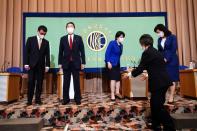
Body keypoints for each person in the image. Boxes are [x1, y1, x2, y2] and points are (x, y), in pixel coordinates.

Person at [126, 34, 175, 130]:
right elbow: (154, 67)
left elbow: (141, 68)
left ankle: (170, 127)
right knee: (154, 104)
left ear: (143, 43)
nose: (141, 46)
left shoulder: (147, 52)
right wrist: (147, 75)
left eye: (141, 44)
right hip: (163, 81)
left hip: (159, 83)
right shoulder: (155, 51)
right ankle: (155, 125)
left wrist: (130, 74)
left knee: (158, 107)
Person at [58, 22, 85, 105]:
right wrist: (60, 63)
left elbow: (82, 51)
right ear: (66, 28)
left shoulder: (79, 38)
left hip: (76, 63)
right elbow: (60, 52)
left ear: (74, 28)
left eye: (71, 26)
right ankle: (66, 99)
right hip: (66, 63)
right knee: (66, 82)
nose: (70, 28)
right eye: (68, 26)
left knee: (76, 81)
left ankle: (77, 99)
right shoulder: (63, 38)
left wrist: (83, 62)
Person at [24, 25, 50, 105]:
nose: (43, 35)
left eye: (44, 34)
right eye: (41, 33)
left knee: (39, 83)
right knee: (31, 83)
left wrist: (47, 65)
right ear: (38, 31)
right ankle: (29, 100)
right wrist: (26, 63)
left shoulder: (46, 42)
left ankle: (38, 99)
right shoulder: (30, 39)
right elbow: (26, 53)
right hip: (31, 66)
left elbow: (47, 55)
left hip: (41, 66)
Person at [154, 24, 179, 103]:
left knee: (172, 78)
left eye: (159, 32)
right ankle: (164, 95)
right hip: (162, 60)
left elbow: (173, 49)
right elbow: (159, 50)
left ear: (163, 30)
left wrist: (167, 58)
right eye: (157, 33)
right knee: (164, 78)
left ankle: (171, 96)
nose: (158, 34)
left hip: (171, 60)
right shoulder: (159, 39)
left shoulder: (172, 37)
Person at [105, 31, 125, 101]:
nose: (122, 38)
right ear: (117, 37)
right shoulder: (112, 43)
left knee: (118, 79)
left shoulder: (121, 45)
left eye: (123, 37)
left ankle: (117, 92)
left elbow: (119, 55)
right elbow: (107, 53)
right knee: (113, 79)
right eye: (121, 37)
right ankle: (112, 94)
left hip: (117, 64)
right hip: (111, 63)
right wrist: (108, 62)